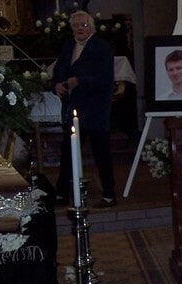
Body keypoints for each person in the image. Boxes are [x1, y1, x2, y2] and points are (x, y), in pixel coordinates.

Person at [51, 10, 117, 207]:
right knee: (68, 152)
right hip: (75, 107)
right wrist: (57, 84)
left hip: (95, 108)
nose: (80, 28)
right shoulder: (68, 46)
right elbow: (58, 71)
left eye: (84, 25)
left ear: (92, 28)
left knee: (101, 153)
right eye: (76, 25)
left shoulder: (102, 48)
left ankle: (109, 194)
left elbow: (105, 79)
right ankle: (61, 193)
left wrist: (79, 81)